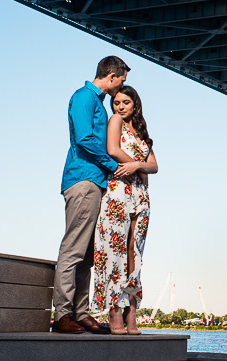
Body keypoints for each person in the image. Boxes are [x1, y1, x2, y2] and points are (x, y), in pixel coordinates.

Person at [52, 56, 130, 334]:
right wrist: (114, 167)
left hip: (94, 182)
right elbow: (85, 139)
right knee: (73, 249)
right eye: (121, 81)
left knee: (87, 254)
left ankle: (81, 313)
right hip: (83, 179)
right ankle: (62, 314)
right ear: (111, 77)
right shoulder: (84, 97)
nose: (121, 87)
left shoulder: (96, 101)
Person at [91, 85, 159, 335]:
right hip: (118, 191)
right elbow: (112, 150)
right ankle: (114, 310)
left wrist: (136, 166)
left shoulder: (141, 130)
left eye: (125, 102)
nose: (120, 106)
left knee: (134, 252)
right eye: (117, 102)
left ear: (135, 104)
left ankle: (132, 310)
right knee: (114, 249)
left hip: (141, 195)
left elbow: (155, 166)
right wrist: (137, 166)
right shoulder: (115, 120)